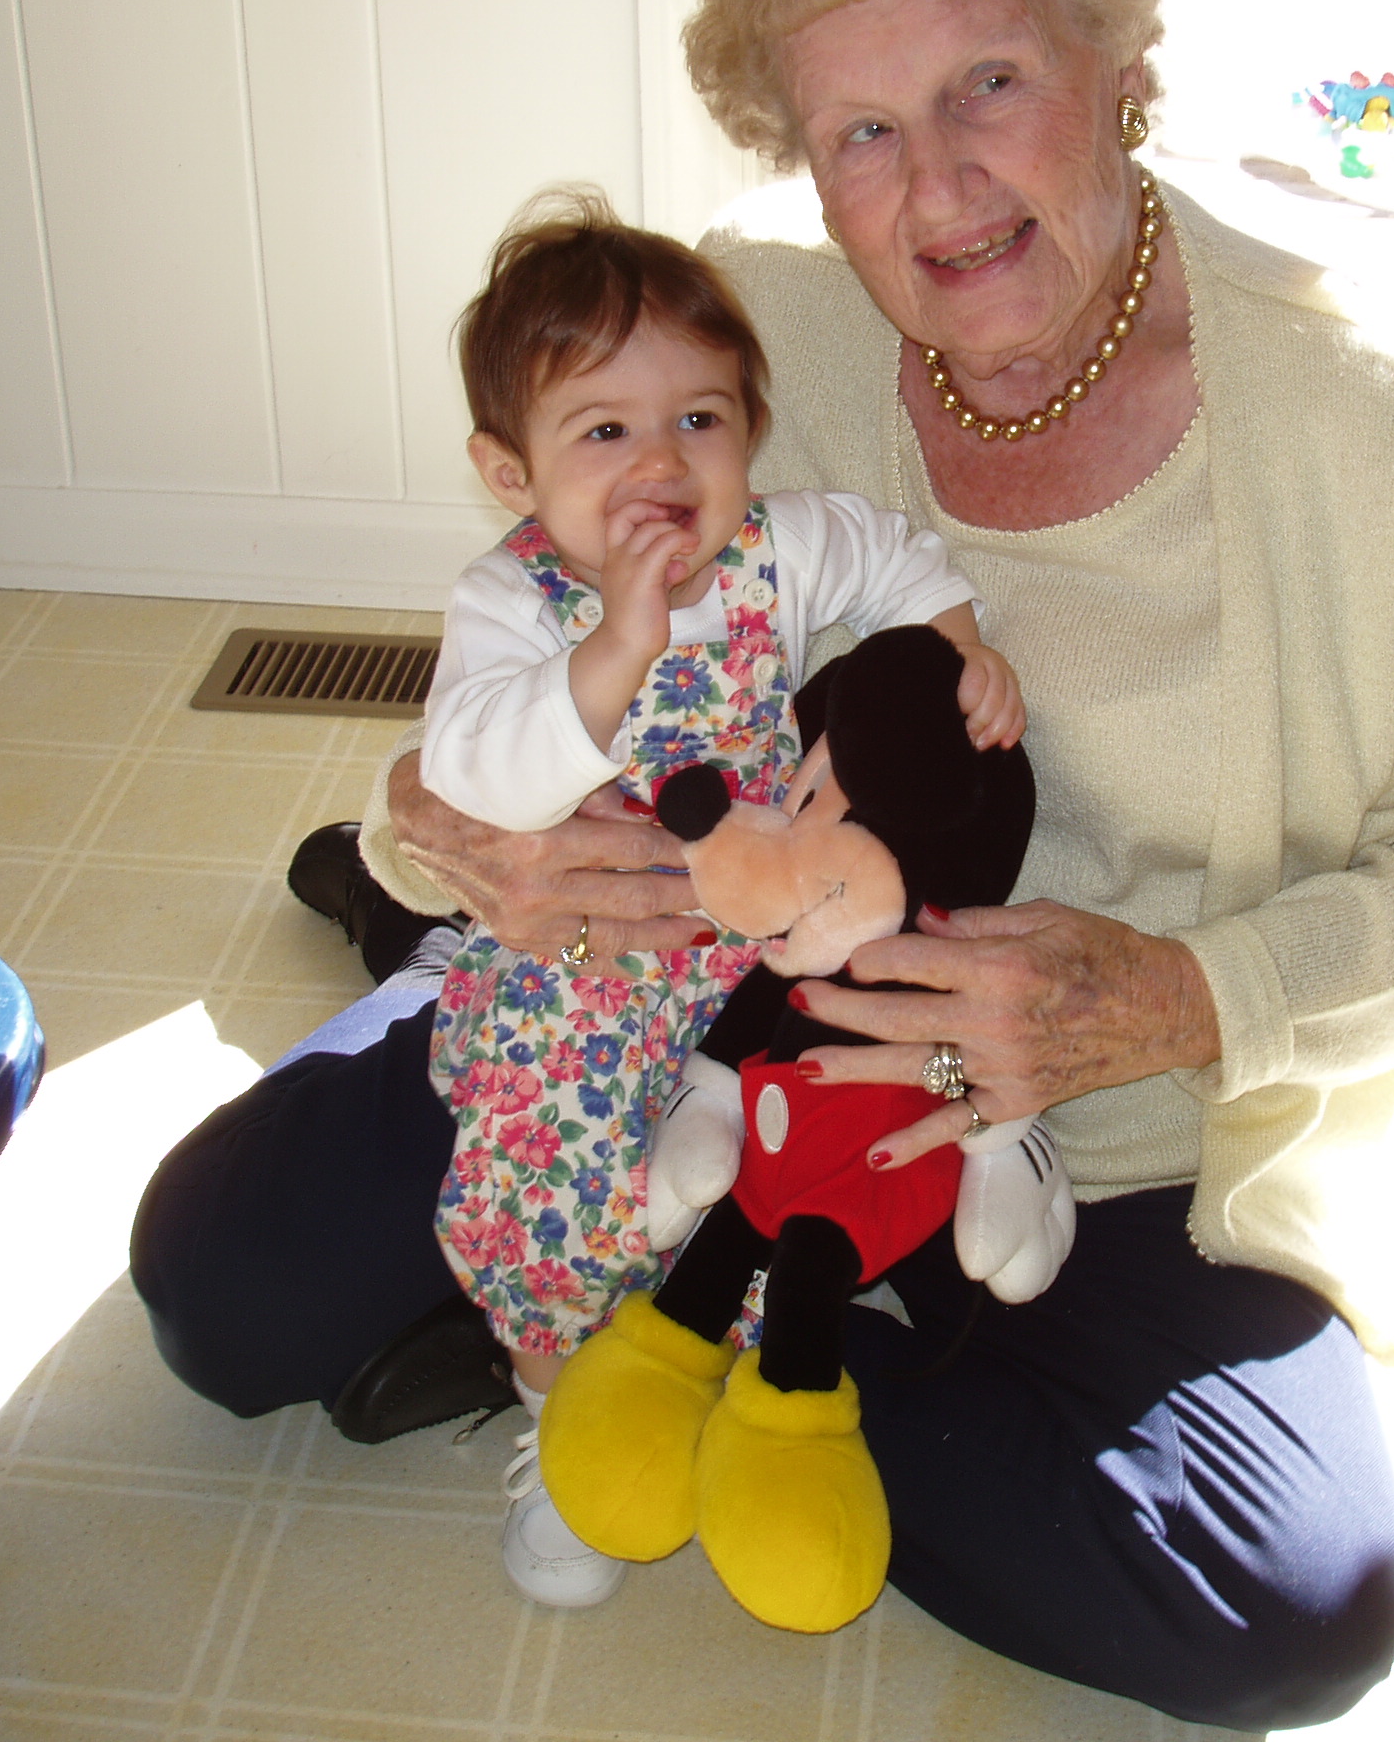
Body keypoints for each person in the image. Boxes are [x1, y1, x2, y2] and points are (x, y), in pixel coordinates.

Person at [133, 0, 1394, 1727]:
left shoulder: (1365, 424)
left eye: (992, 81)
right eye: (862, 132)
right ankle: (608, 1236)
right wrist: (453, 846)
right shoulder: (740, 324)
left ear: (1120, 65)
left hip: (1116, 1117)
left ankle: (642, 1343)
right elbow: (521, 643)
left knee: (1286, 1605)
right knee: (219, 1289)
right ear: (803, 161)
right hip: (675, 1009)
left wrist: (1179, 997)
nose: (941, 185)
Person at [418, 193, 1020, 1604]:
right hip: (579, 976)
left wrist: (958, 642)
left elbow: (894, 555)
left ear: (751, 431)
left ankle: (703, 1373)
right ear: (510, 472)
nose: (661, 464)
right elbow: (477, 770)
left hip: (757, 963)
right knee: (551, 1189)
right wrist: (614, 651)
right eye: (602, 431)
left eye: (701, 419)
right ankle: (562, 1418)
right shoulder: (514, 603)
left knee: (756, 1182)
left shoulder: (777, 550)